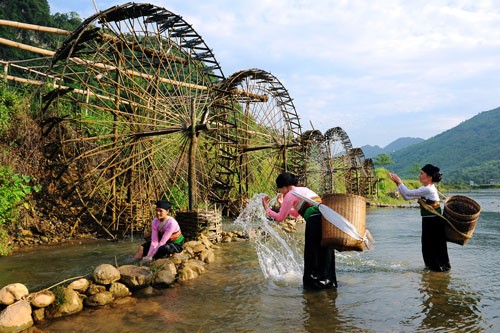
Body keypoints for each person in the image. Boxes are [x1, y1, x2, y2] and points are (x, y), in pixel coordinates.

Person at [262, 172, 337, 290]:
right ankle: (329, 282)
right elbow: (297, 214)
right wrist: (282, 204)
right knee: (325, 250)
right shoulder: (302, 190)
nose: (280, 192)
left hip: (314, 220)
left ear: (285, 187)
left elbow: (280, 217)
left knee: (312, 252)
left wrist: (266, 208)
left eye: (280, 189)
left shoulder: (289, 194)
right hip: (325, 219)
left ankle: (313, 286)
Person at [389, 164, 450, 272]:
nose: (419, 176)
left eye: (422, 173)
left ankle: (436, 271)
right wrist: (398, 184)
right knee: (428, 246)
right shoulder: (425, 189)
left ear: (429, 177)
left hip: (433, 221)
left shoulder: (428, 190)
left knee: (431, 246)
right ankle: (435, 272)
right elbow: (407, 197)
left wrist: (399, 182)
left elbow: (407, 192)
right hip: (429, 220)